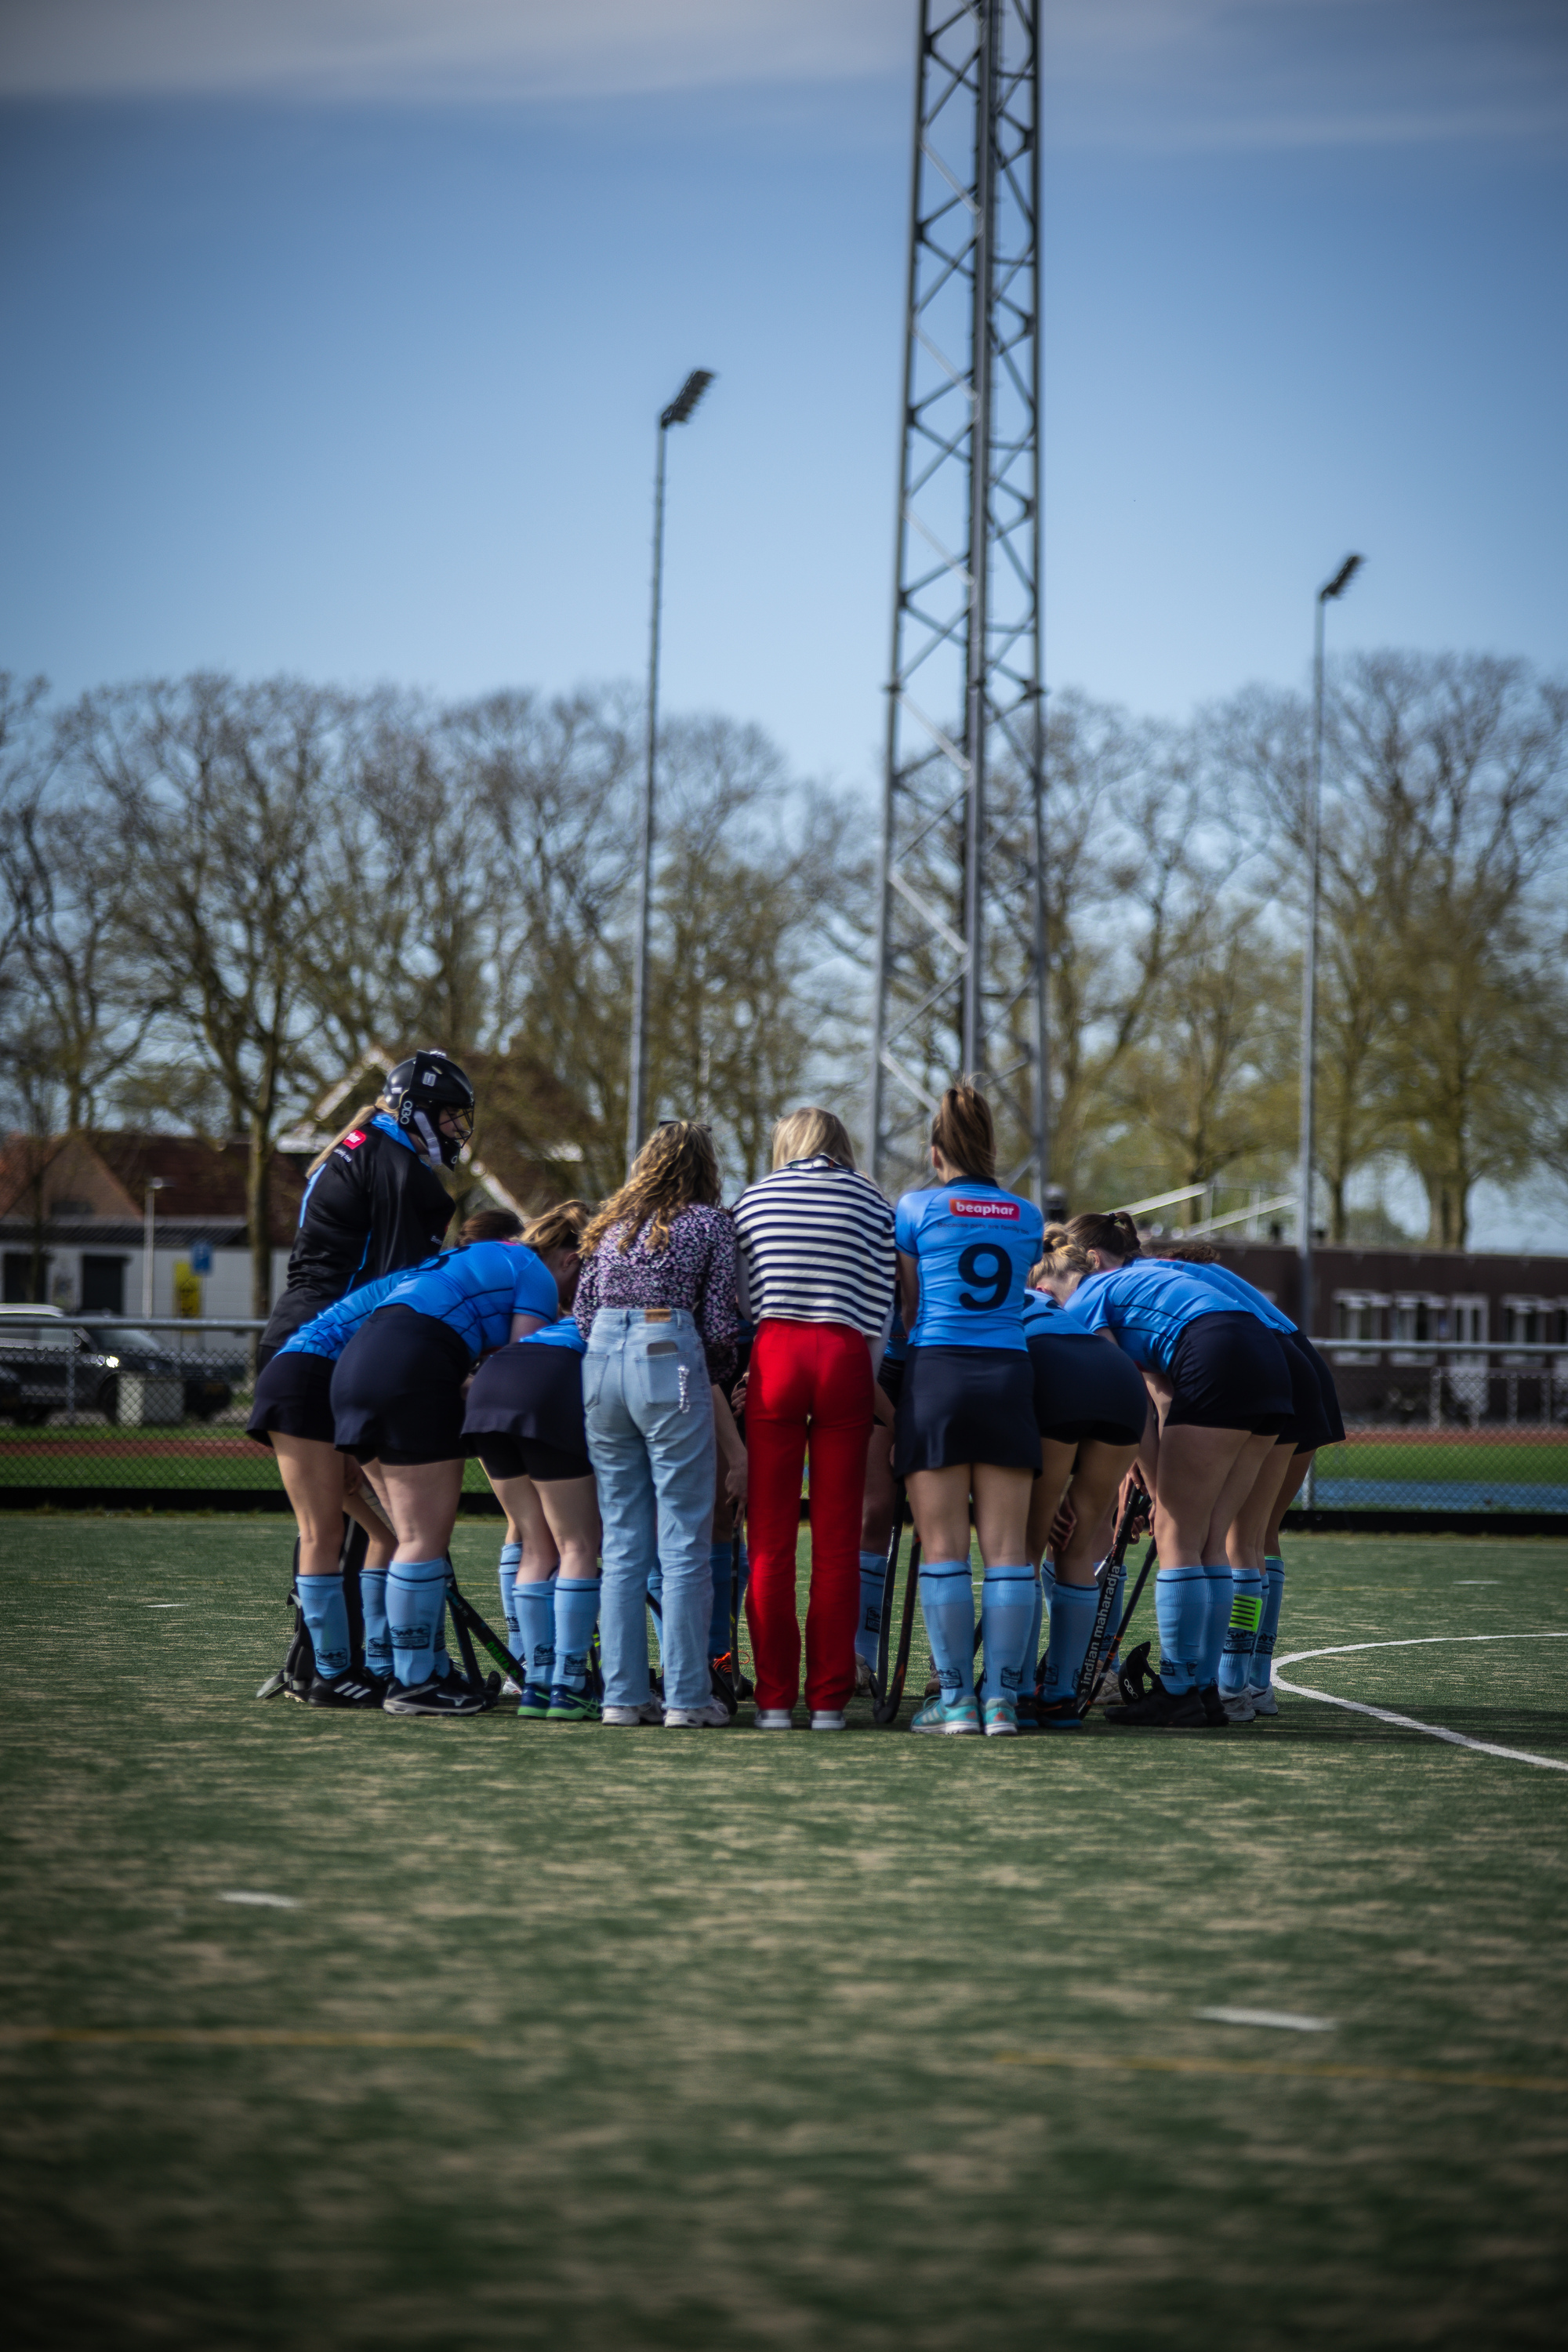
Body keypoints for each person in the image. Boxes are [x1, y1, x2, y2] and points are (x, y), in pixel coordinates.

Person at [1035, 1222, 1296, 1729]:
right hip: (1268, 1358)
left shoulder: (1083, 1301)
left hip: (1217, 1354)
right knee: (1210, 1538)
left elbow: (1126, 1395)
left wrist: (1159, 1494)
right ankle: (1205, 1689)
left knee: (1178, 1533)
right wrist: (1157, 1486)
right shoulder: (1133, 1278)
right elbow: (1158, 1392)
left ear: (1045, 1287)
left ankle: (1179, 1690)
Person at [331, 1229, 561, 1717]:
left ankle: (426, 1669)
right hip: (413, 1368)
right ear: (569, 1257)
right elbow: (523, 1362)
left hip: (354, 1368)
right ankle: (414, 1684)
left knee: (407, 1536)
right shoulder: (534, 1271)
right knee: (420, 1540)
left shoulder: (470, 1257)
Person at [574, 1121, 746, 1730]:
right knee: (684, 1540)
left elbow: (583, 1312)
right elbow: (722, 1324)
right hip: (667, 1356)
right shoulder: (710, 1224)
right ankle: (688, 1695)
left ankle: (621, 1695)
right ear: (705, 1166)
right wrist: (714, 1373)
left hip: (601, 1360)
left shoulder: (612, 1226)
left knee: (621, 1541)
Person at [733, 1107, 897, 1730]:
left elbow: (745, 1296)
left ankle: (775, 1699)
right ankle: (829, 1699)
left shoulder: (755, 1197)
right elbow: (881, 1305)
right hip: (846, 1355)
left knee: (769, 1541)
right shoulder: (873, 1202)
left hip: (775, 1351)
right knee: (837, 1540)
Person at [893, 1083, 1044, 1736]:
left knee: (945, 1549)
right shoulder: (1028, 1214)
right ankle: (1002, 1702)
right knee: (1009, 1552)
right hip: (1010, 1375)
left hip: (939, 1376)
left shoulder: (916, 1207)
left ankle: (954, 1702)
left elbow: (905, 1309)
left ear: (934, 1154)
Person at [462, 1203, 603, 1723]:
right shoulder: (614, 1313)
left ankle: (536, 1683)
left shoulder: (542, 1292)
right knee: (580, 1545)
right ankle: (569, 1683)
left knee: (532, 1541)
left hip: (490, 1385)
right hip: (542, 1384)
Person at [256, 1051, 474, 1370]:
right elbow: (401, 1286)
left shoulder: (359, 1144)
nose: (457, 1127)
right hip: (327, 1346)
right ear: (418, 1108)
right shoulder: (400, 1170)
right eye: (451, 1112)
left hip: (288, 1335)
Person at [1018, 1279, 1150, 1728]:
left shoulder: (965, 1300)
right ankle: (1060, 1696)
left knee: (1024, 1551)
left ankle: (1015, 1690)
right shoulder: (1047, 1300)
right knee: (1076, 1546)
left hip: (1053, 1373)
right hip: (1119, 1378)